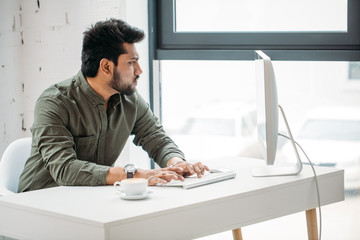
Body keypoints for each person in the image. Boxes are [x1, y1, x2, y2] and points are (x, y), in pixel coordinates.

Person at [18, 18, 209, 192]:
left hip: (89, 201)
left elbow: (156, 139)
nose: (139, 70)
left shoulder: (129, 99)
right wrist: (134, 175)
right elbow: (65, 169)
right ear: (106, 67)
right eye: (132, 62)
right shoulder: (54, 103)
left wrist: (176, 162)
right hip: (39, 205)